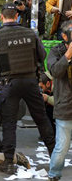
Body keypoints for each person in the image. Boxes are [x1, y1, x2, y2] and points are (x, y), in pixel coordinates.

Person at [0, 3, 55, 174]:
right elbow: (42, 55)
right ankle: (55, 156)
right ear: (16, 16)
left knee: (9, 123)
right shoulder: (30, 33)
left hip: (9, 83)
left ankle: (8, 162)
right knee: (41, 119)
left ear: (2, 17)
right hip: (31, 81)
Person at [47, 20, 72, 181]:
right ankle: (54, 174)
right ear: (64, 36)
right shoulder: (56, 52)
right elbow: (55, 71)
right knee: (62, 146)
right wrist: (68, 55)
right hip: (65, 105)